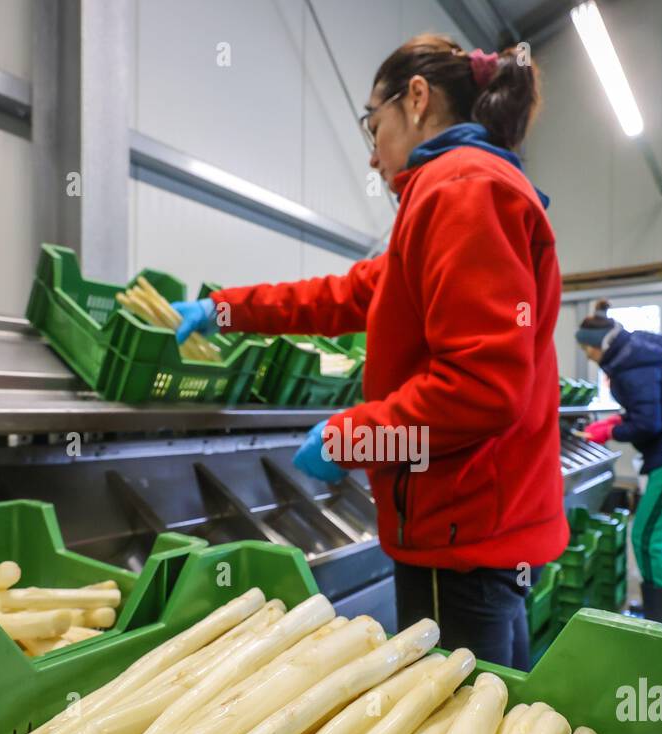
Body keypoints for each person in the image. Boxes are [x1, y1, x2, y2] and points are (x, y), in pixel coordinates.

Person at [169, 35, 565, 670]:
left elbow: (483, 388)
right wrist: (223, 308)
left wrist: (355, 438)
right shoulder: (449, 192)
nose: (374, 157)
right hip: (478, 531)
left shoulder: (461, 190)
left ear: (416, 99)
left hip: (457, 537)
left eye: (371, 126)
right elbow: (346, 294)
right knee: (493, 719)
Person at [578, 306, 662, 625]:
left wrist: (612, 430)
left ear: (600, 343)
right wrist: (615, 421)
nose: (588, 356)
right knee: (651, 535)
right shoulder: (634, 356)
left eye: (587, 349)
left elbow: (649, 422)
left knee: (646, 535)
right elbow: (649, 409)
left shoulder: (630, 365)